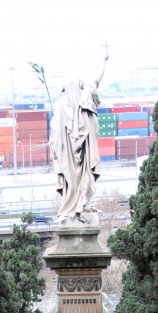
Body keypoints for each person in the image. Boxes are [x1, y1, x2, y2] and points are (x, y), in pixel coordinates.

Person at [50, 55, 108, 223]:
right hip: (80, 160)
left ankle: (75, 210)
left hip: (70, 159)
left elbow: (54, 137)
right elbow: (97, 79)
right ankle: (81, 208)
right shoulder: (84, 100)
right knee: (84, 183)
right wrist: (103, 61)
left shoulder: (62, 106)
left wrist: (103, 61)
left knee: (74, 185)